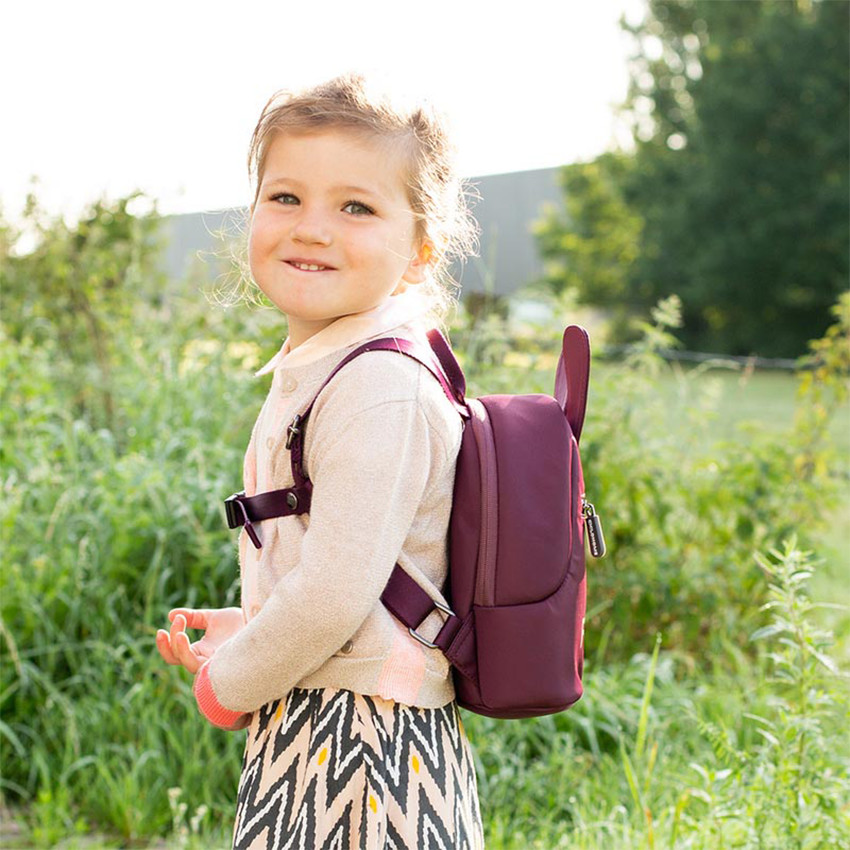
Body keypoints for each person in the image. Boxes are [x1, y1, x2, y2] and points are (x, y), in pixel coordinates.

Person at [155, 73, 484, 849]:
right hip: (331, 724)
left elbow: (336, 597)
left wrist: (227, 684)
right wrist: (255, 627)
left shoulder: (378, 386)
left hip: (364, 749)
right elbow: (352, 570)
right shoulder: (339, 364)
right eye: (286, 197)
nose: (312, 228)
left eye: (356, 207)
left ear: (420, 250)